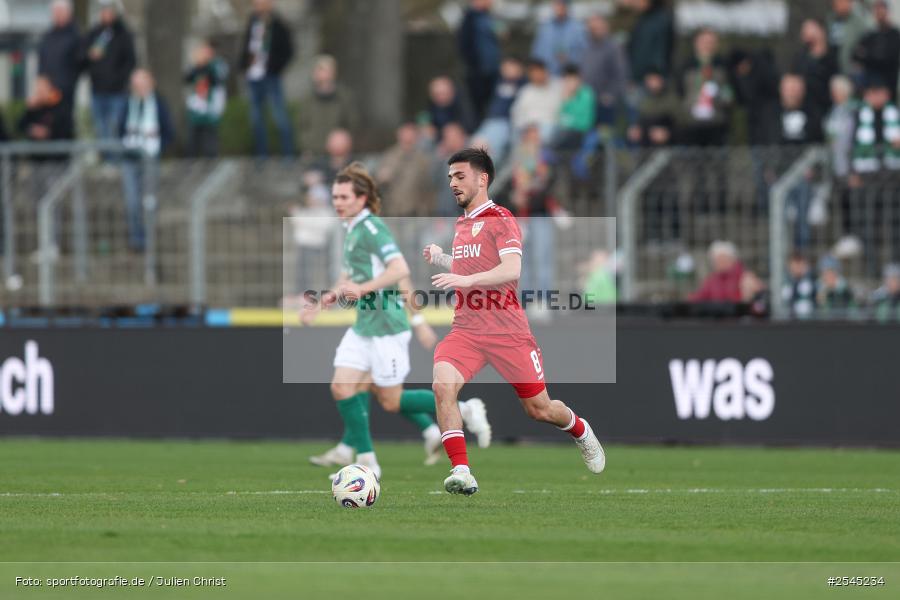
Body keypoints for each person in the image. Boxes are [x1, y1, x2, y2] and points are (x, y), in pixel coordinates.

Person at [422, 148, 605, 495]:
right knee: (442, 385)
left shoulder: (501, 218)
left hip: (508, 332)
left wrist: (464, 282)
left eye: (460, 177)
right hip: (467, 330)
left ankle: (580, 429)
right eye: (450, 178)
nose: (453, 184)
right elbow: (470, 269)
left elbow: (511, 270)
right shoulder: (463, 226)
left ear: (482, 179)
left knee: (539, 409)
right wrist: (443, 258)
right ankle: (461, 470)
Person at [302, 163, 491, 476]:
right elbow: (349, 274)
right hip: (364, 325)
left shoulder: (373, 229)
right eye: (335, 196)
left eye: (345, 197)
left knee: (390, 400)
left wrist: (373, 295)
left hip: (388, 327)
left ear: (361, 199)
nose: (338, 202)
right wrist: (324, 301)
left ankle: (466, 409)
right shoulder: (351, 229)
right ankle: (367, 462)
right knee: (342, 387)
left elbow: (400, 270)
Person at [118, 69, 174, 252]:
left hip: (150, 158)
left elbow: (168, 132)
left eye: (143, 84)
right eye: (136, 85)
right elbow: (120, 129)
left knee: (149, 201)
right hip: (130, 158)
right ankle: (137, 239)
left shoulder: (158, 104)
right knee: (131, 201)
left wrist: (157, 146)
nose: (140, 89)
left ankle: (149, 238)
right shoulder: (128, 103)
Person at [239, 0, 295, 157]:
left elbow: (288, 51)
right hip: (253, 77)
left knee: (279, 116)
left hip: (271, 76)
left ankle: (288, 155)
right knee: (256, 119)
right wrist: (244, 66)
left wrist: (275, 68)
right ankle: (261, 156)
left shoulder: (279, 24)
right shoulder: (252, 22)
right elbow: (247, 46)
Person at [83, 0, 136, 146]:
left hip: (117, 91)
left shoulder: (124, 34)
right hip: (98, 90)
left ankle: (116, 162)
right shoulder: (94, 33)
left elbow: (130, 61)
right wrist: (90, 56)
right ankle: (106, 162)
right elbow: (82, 56)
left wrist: (119, 80)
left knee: (115, 128)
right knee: (101, 129)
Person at [296, 55, 358, 156]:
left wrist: (343, 143)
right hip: (314, 152)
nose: (322, 74)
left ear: (334, 72)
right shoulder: (307, 99)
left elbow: (352, 124)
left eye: (325, 70)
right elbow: (302, 126)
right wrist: (306, 147)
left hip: (338, 152)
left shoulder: (344, 97)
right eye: (319, 70)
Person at [472, 57, 527, 162]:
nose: (506, 70)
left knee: (488, 151)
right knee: (475, 145)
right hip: (490, 121)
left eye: (510, 67)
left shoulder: (523, 84)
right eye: (504, 67)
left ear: (519, 68)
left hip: (506, 123)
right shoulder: (498, 81)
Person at [376, 123, 435, 218]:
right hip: (392, 210)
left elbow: (429, 187)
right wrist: (381, 178)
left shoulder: (423, 159)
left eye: (411, 135)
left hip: (415, 211)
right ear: (399, 135)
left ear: (416, 137)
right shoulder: (389, 156)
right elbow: (377, 183)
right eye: (405, 134)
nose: (408, 138)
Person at [581, 14, 629, 127]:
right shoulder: (586, 47)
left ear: (605, 27)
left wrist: (610, 94)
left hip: (606, 102)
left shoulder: (614, 47)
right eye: (592, 28)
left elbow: (621, 74)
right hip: (587, 101)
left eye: (598, 28)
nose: (595, 31)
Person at [458, 0, 501, 120]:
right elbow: (464, 44)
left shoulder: (489, 16)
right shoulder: (469, 18)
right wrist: (473, 65)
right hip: (478, 71)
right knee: (476, 107)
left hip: (492, 70)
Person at [184, 39, 227, 158]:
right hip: (197, 105)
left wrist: (206, 65)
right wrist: (197, 66)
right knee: (193, 136)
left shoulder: (217, 64)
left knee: (210, 136)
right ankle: (191, 160)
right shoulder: (195, 65)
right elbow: (187, 79)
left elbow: (217, 80)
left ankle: (211, 160)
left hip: (211, 104)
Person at [792, 18, 839, 126]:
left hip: (828, 107)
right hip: (806, 108)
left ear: (821, 31)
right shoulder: (800, 57)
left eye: (809, 29)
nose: (805, 33)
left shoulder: (833, 55)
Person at [37, 0, 81, 112]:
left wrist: (62, 84)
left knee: (62, 121)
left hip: (65, 90)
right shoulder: (48, 36)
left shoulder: (75, 36)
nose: (57, 14)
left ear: (68, 13)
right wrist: (41, 79)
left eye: (60, 11)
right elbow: (42, 59)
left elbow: (77, 64)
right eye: (55, 12)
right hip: (47, 88)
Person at [853, 0, 900, 100]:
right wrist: (874, 57)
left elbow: (888, 59)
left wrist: (867, 56)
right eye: (877, 12)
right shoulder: (870, 35)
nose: (879, 15)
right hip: (869, 85)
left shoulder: (895, 35)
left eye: (881, 12)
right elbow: (855, 54)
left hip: (888, 84)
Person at [510, 58, 563, 141]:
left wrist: (538, 129)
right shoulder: (526, 91)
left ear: (545, 71)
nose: (537, 75)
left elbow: (562, 111)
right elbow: (516, 113)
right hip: (527, 127)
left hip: (550, 126)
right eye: (533, 73)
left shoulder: (559, 86)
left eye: (539, 72)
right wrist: (527, 128)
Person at [530, 0, 588, 76]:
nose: (559, 7)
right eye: (557, 4)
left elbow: (586, 54)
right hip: (548, 78)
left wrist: (569, 58)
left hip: (570, 77)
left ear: (567, 6)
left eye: (562, 4)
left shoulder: (578, 28)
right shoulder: (545, 28)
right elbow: (536, 54)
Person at [549, 64, 596, 151]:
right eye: (567, 80)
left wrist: (568, 102)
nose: (570, 83)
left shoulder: (586, 94)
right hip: (563, 132)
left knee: (558, 139)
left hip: (580, 133)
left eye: (572, 80)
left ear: (579, 79)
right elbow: (557, 116)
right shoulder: (562, 93)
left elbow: (584, 123)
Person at [626, 0, 674, 82]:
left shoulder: (661, 19)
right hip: (638, 75)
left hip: (652, 78)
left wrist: (656, 72)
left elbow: (662, 47)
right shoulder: (642, 19)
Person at [827, 0, 869, 77]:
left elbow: (865, 48)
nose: (837, 4)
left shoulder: (859, 24)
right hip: (833, 70)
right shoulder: (831, 20)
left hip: (852, 73)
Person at [782, 251, 817, 319]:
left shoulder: (812, 282)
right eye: (795, 264)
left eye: (800, 264)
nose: (798, 268)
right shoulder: (785, 284)